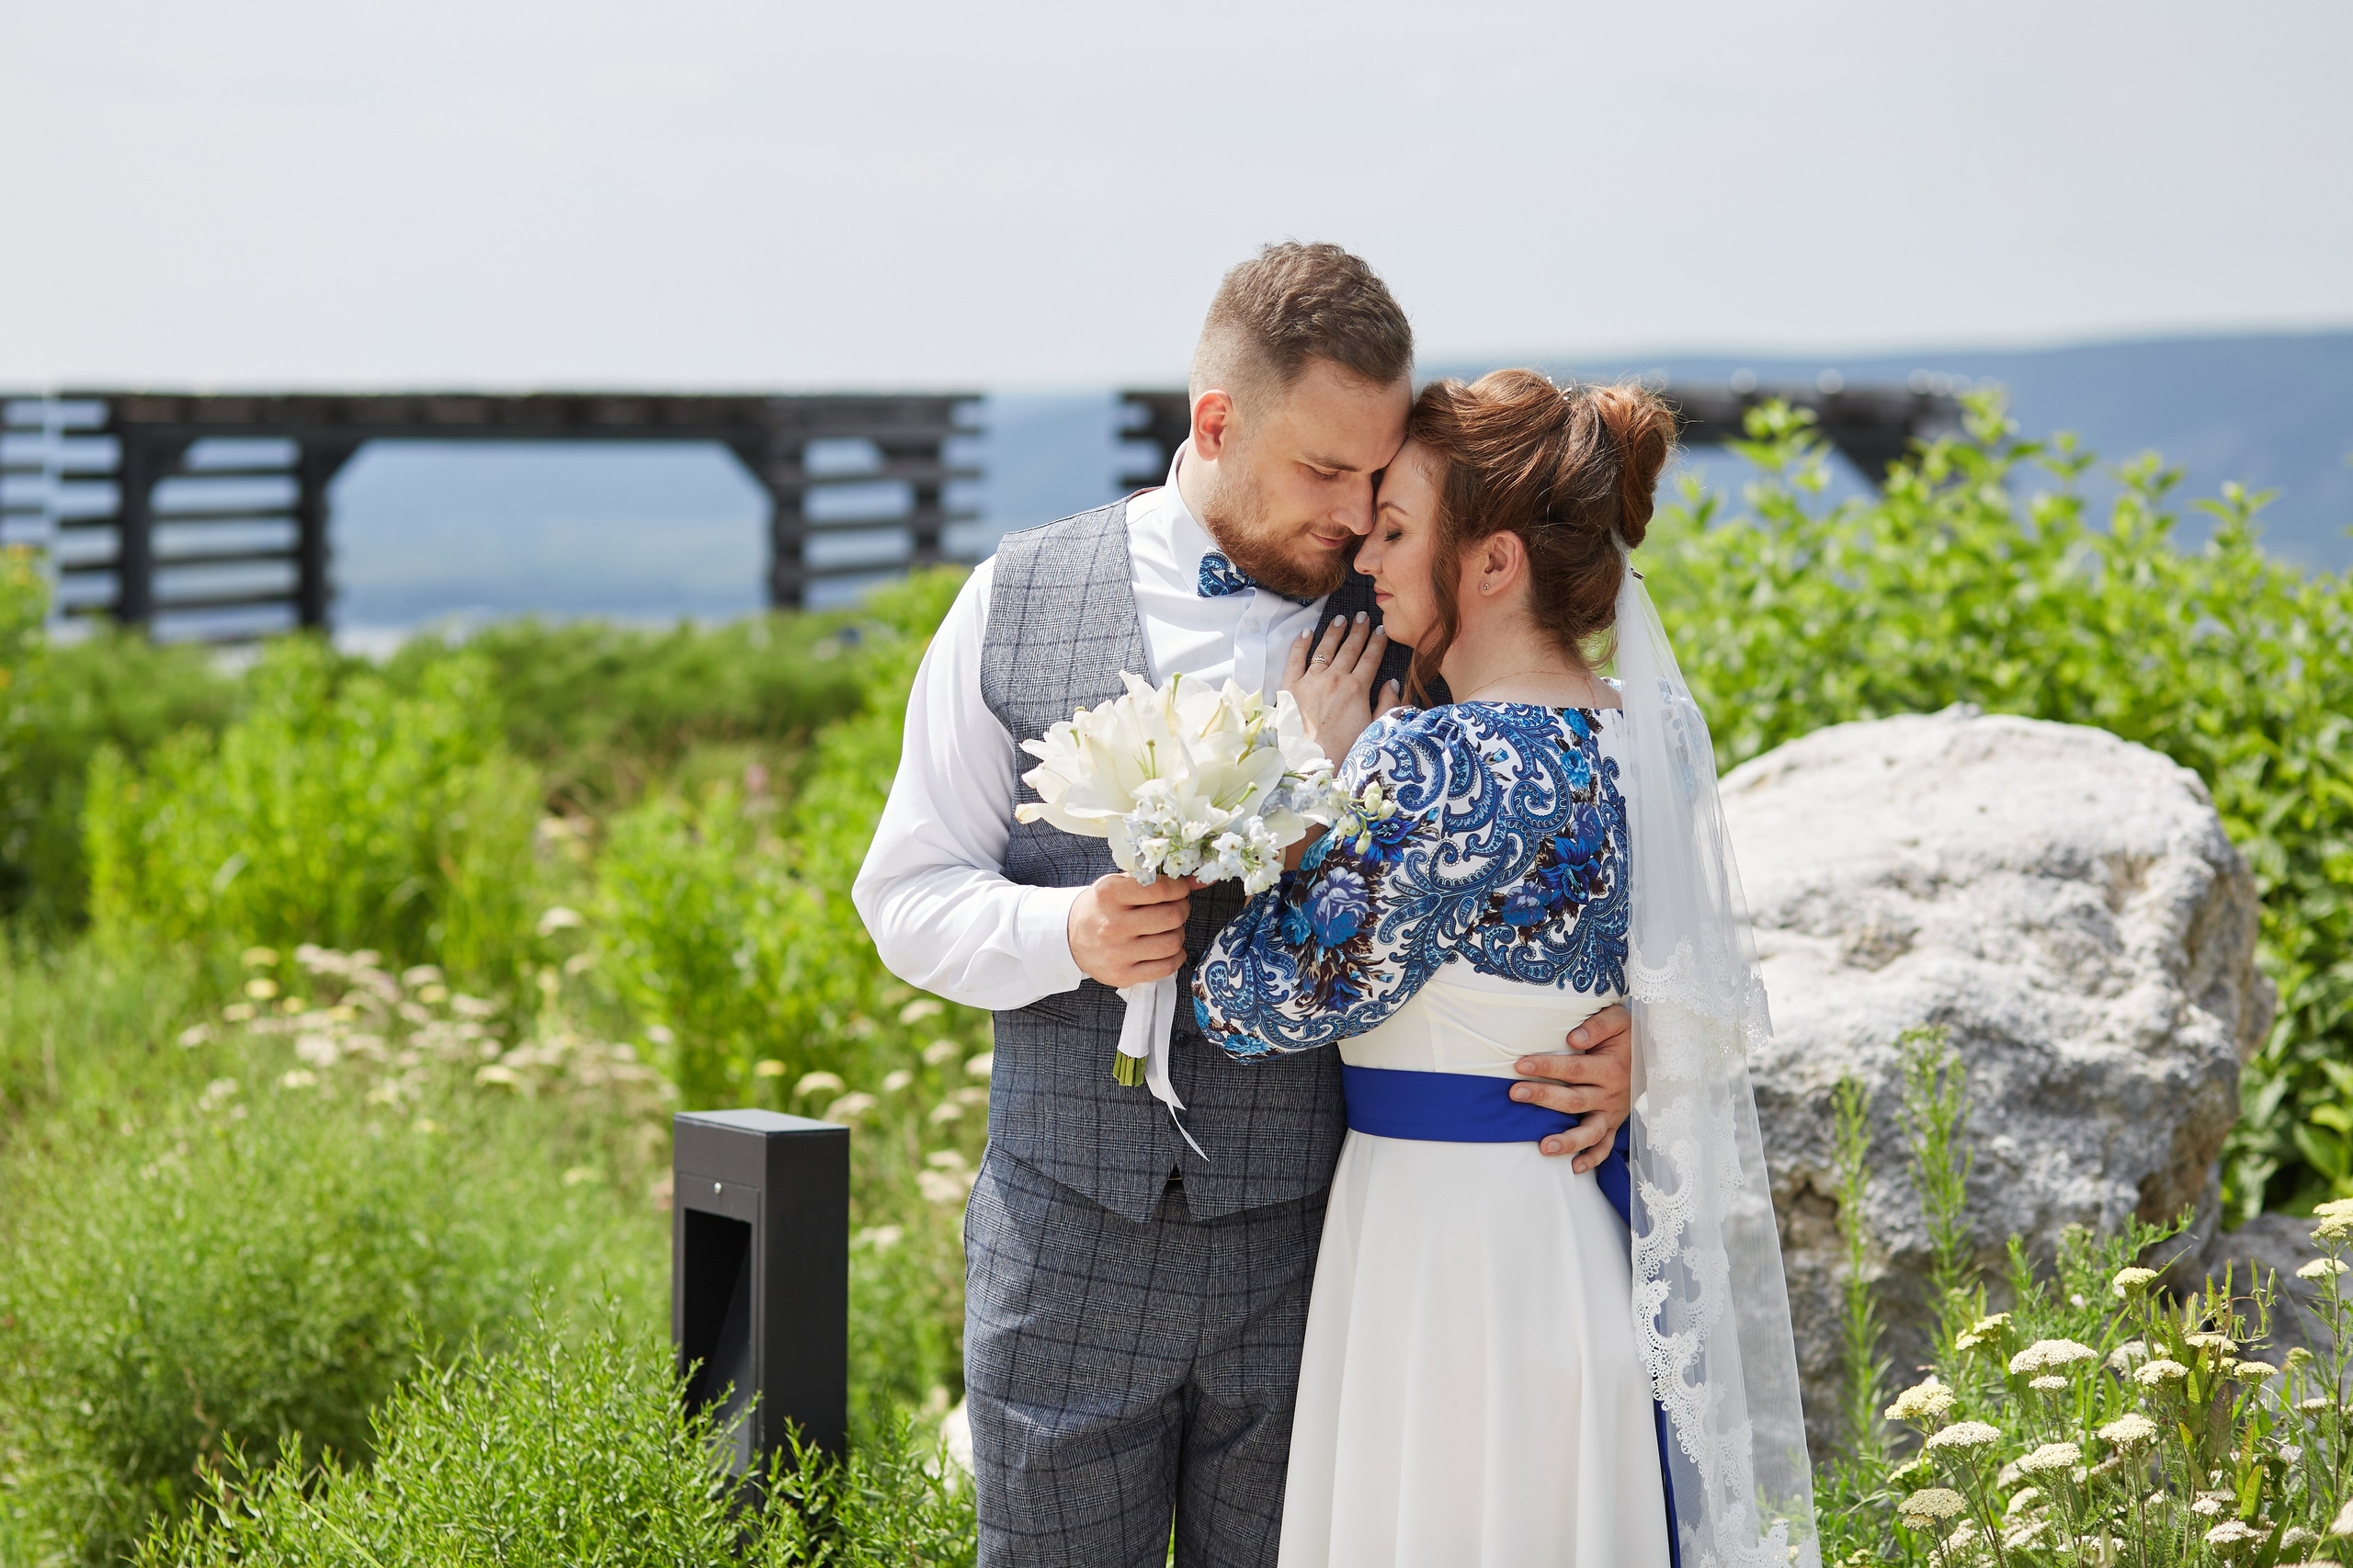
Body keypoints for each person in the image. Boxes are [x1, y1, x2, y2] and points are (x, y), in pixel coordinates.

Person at [853, 244, 1638, 1567]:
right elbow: (904, 895)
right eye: (1325, 473)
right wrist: (1068, 933)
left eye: (1379, 481)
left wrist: (1635, 1036)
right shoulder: (1019, 594)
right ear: (1216, 422)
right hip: (1067, 1255)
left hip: (1327, 1260)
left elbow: (1557, 829)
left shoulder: (1414, 614)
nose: (1353, 514)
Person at [1195, 370, 1820, 1566]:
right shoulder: (1641, 732)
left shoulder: (1430, 759)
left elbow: (1253, 997)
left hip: (1438, 1251)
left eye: (1394, 530)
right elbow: (1695, 973)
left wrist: (1300, 779)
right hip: (1577, 1236)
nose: (1366, 562)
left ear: (1492, 564)